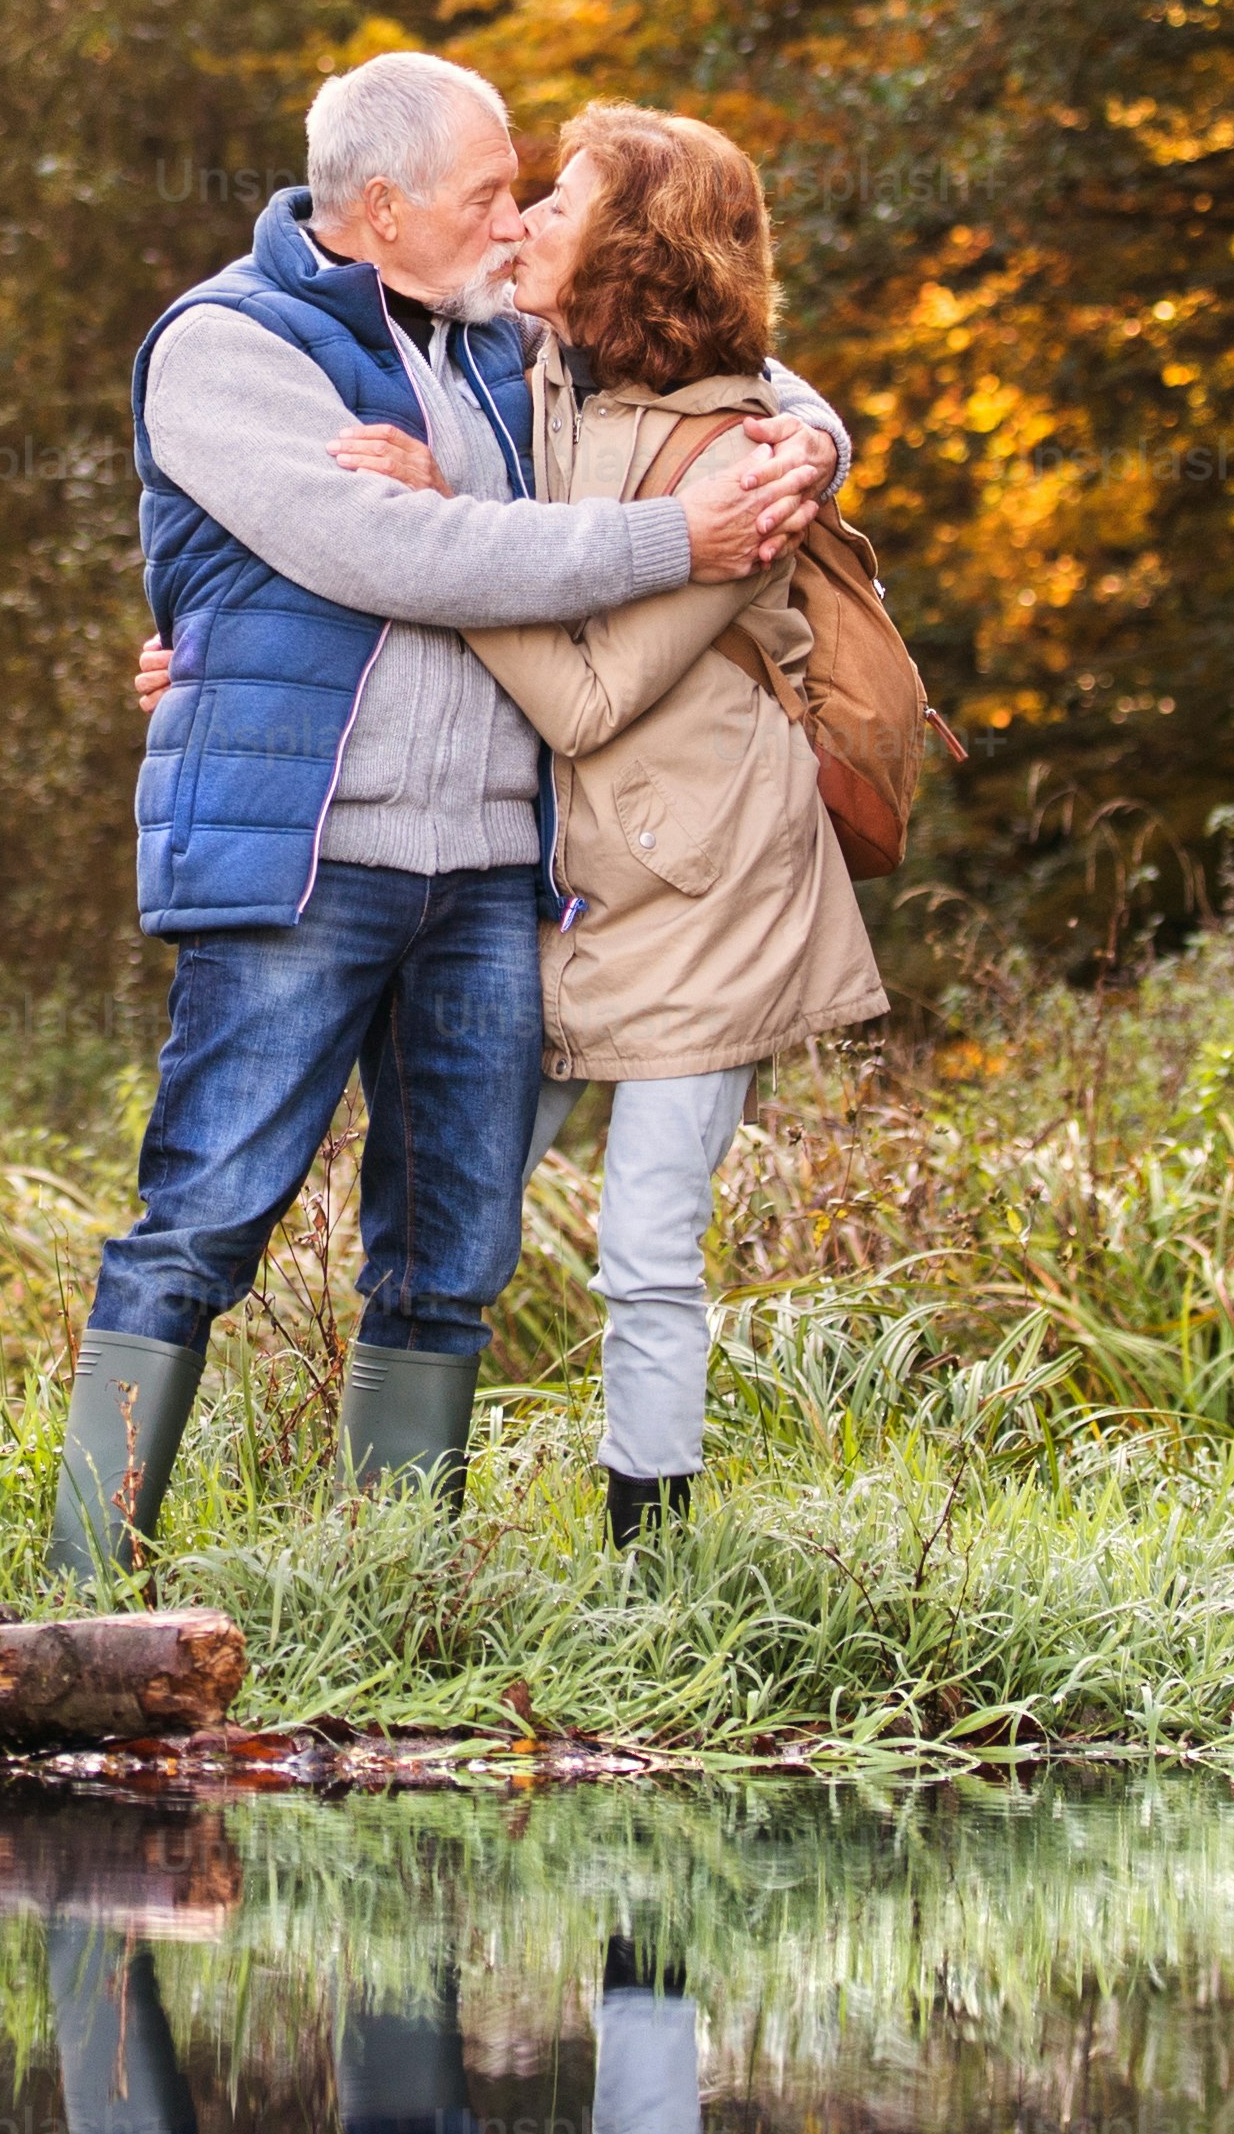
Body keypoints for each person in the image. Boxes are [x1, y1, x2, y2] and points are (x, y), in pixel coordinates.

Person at [51, 52, 841, 1577]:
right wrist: (673, 535)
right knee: (203, 1217)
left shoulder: (495, 328)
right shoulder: (229, 345)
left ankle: (394, 1582)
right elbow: (395, 555)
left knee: (451, 1260)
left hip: (492, 873)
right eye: (491, 192)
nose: (514, 220)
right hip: (307, 859)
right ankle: (87, 1583)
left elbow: (733, 350)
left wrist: (813, 445)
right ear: (382, 207)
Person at [329, 105, 884, 1545]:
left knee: (645, 1248)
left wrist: (439, 540)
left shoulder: (738, 458)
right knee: (457, 1205)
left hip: (711, 888)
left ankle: (658, 1580)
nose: (516, 224)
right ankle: (396, 1544)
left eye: (554, 205)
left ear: (629, 251)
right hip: (566, 884)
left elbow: (585, 699)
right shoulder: (542, 369)